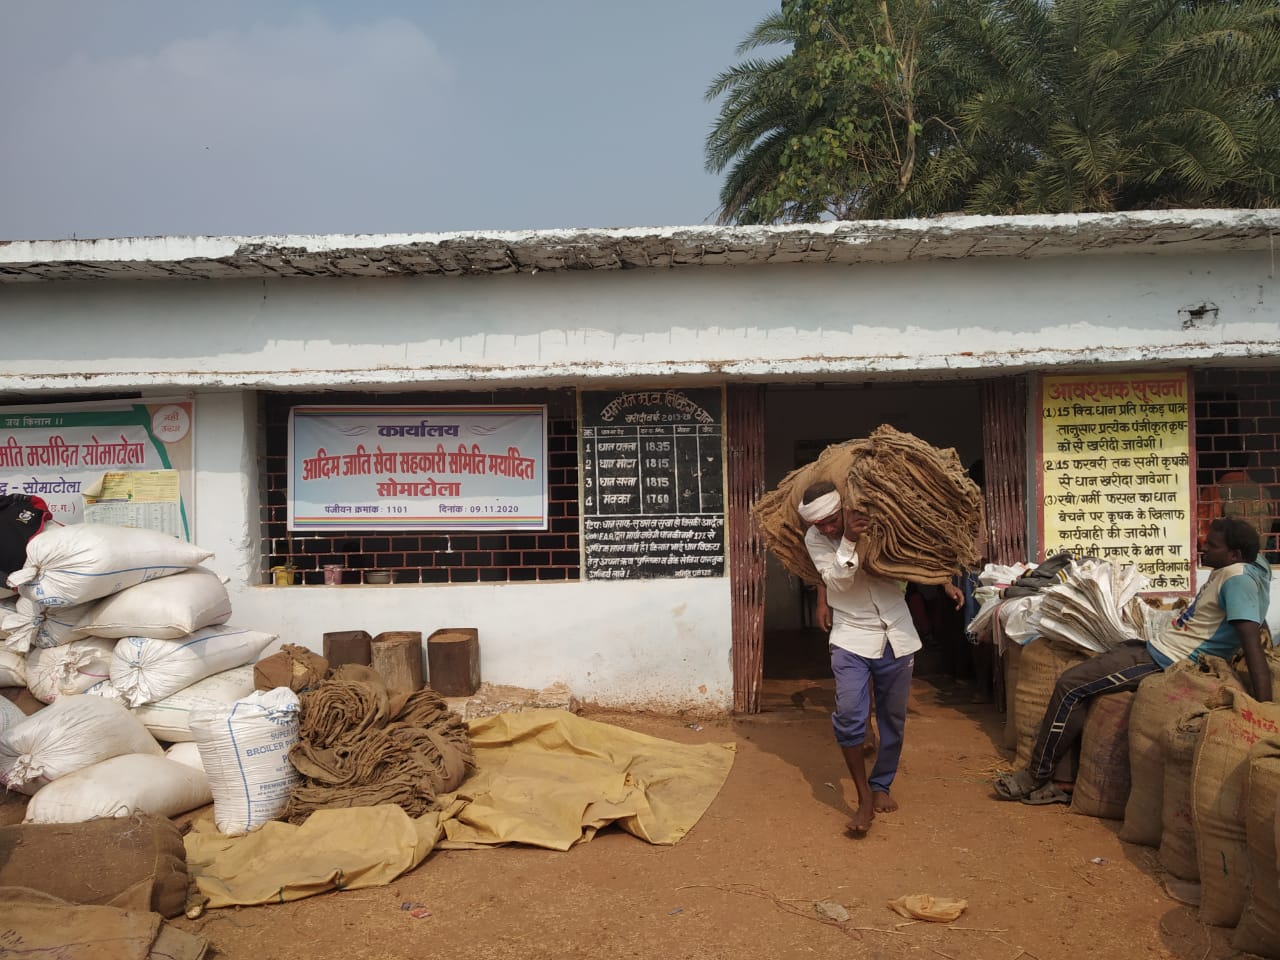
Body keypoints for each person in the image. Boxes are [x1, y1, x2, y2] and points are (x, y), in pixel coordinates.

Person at [994, 516, 1272, 805]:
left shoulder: (1238, 581)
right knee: (1088, 674)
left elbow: (1252, 644)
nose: (1204, 548)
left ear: (1234, 554)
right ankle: (1064, 781)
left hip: (1168, 658)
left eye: (1212, 545)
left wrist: (1263, 712)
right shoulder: (1248, 568)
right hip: (1159, 646)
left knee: (1070, 685)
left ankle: (1036, 776)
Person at [799, 479, 962, 835]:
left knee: (893, 719)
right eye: (819, 525)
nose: (826, 529)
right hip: (850, 636)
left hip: (897, 633)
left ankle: (881, 784)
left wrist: (944, 581)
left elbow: (915, 552)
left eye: (831, 521)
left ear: (845, 508)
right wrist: (848, 539)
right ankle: (863, 800)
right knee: (849, 715)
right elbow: (837, 581)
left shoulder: (880, 520)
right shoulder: (816, 539)